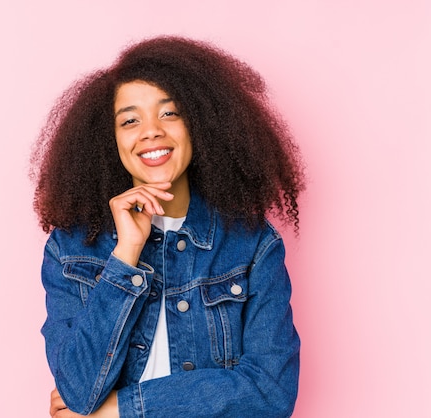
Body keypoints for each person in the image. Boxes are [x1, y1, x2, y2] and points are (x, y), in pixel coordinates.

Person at [31, 35, 305, 418]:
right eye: (130, 120)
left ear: (200, 125)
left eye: (170, 113)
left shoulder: (253, 245)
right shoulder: (71, 248)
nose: (151, 131)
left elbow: (271, 392)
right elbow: (77, 392)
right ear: (109, 141)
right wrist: (125, 255)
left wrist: (121, 410)